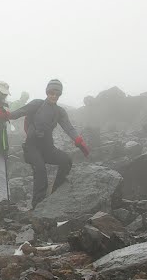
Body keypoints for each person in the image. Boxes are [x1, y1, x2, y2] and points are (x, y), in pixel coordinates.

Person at [8, 78, 91, 208]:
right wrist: (5, 115)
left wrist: (78, 140)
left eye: (56, 94)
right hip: (31, 147)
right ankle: (38, 206)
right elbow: (18, 113)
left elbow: (68, 127)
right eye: (51, 93)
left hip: (48, 148)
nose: (53, 96)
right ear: (47, 93)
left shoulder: (60, 112)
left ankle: (55, 193)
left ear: (59, 95)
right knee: (40, 170)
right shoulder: (36, 104)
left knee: (66, 160)